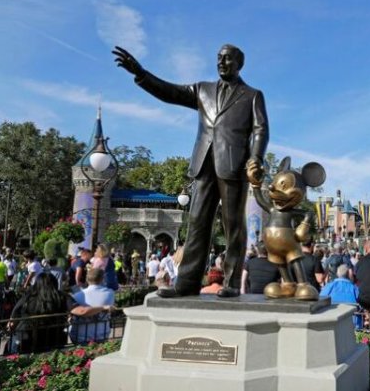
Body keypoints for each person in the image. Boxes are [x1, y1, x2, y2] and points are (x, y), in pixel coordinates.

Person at [113, 44, 269, 298]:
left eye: (227, 59)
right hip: (204, 162)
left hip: (233, 164)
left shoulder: (252, 95)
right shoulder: (202, 90)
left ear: (239, 63)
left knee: (233, 226)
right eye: (218, 58)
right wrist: (140, 73)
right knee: (196, 222)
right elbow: (170, 92)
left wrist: (256, 158)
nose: (221, 62)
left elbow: (261, 129)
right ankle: (186, 282)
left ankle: (230, 282)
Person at [7, 272, 69, 353]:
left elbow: (11, 323)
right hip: (54, 340)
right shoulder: (61, 298)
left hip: (26, 340)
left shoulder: (27, 298)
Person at [69, 268, 116, 344]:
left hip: (79, 335)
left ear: (87, 279)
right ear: (102, 279)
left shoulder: (76, 296)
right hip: (102, 334)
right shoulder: (110, 293)